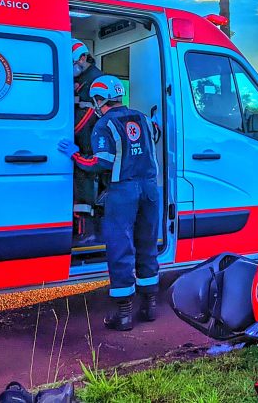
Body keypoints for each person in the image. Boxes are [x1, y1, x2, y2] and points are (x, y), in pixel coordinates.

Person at [58, 75, 161, 330]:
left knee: (120, 247)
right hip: (150, 189)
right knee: (147, 244)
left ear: (98, 99)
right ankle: (150, 306)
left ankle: (124, 314)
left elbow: (98, 164)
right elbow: (154, 136)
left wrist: (75, 155)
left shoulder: (103, 124)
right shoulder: (144, 119)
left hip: (123, 192)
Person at [71, 40, 104, 242]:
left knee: (84, 186)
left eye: (73, 62)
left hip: (88, 144)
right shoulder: (82, 77)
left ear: (83, 58)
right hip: (82, 143)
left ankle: (87, 233)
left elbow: (88, 114)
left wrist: (68, 132)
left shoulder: (96, 79)